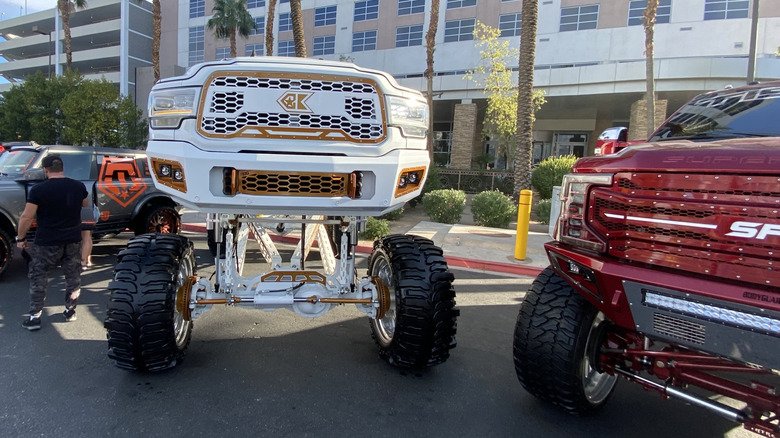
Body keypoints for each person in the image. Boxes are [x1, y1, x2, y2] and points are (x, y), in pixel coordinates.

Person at [16, 154, 88, 331]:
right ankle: (70, 311)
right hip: (72, 239)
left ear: (45, 170)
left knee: (39, 276)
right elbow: (84, 203)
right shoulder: (78, 186)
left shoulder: (39, 190)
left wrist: (21, 238)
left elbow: (27, 216)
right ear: (62, 168)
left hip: (47, 241)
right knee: (73, 277)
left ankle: (35, 317)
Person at [80, 198, 98, 270]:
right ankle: (88, 259)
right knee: (88, 237)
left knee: (85, 237)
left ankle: (83, 261)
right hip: (90, 210)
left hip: (83, 211)